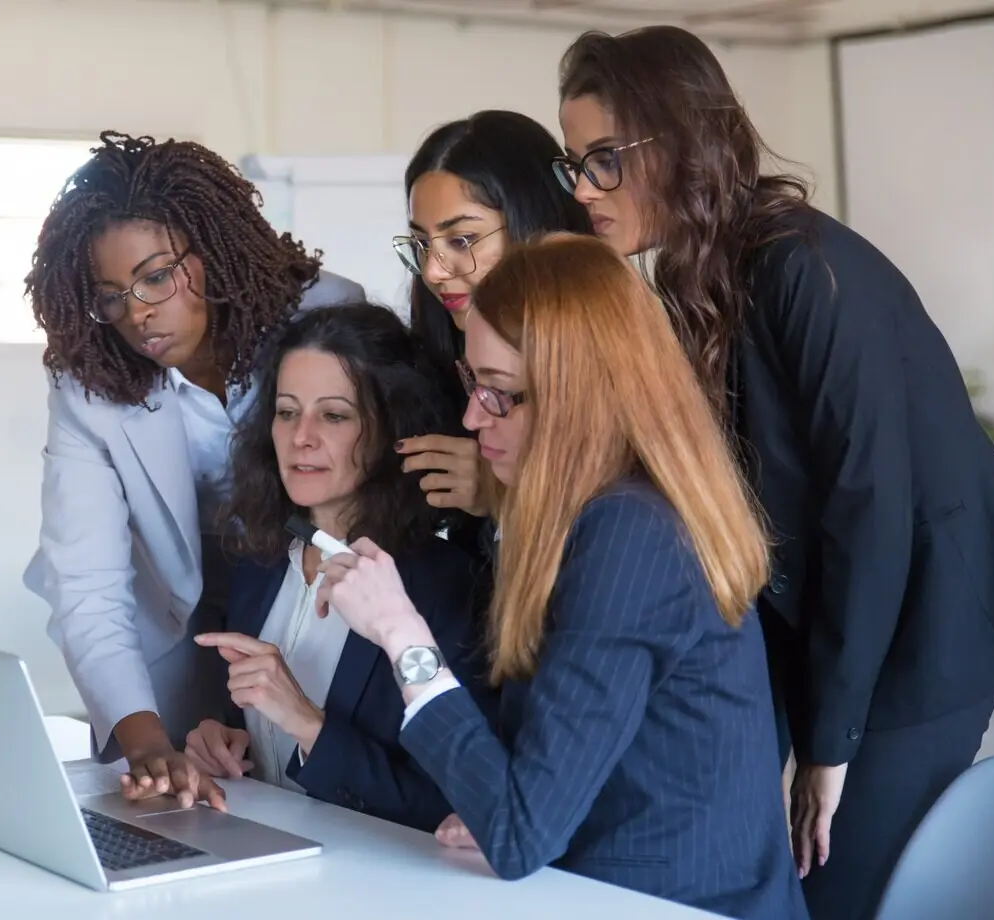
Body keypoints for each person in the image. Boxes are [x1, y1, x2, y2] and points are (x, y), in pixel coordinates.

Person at [556, 25, 994, 920]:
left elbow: (869, 511)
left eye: (604, 160)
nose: (582, 188)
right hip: (845, 625)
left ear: (678, 141)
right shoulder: (700, 276)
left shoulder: (800, 266)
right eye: (573, 162)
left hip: (930, 633)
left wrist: (828, 745)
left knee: (833, 886)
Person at [315, 234, 808, 920]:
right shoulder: (593, 517)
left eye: (502, 396)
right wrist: (501, 810)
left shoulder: (628, 536)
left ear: (582, 398)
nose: (470, 417)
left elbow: (520, 833)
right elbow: (543, 787)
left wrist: (402, 635)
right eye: (473, 381)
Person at [21, 131, 364, 811]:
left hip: (310, 605)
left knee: (315, 795)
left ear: (214, 249)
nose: (137, 314)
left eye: (155, 276)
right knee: (184, 810)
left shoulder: (327, 316)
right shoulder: (90, 378)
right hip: (175, 627)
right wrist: (145, 740)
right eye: (110, 295)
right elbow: (86, 579)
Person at [185, 303, 486, 832]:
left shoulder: (445, 585)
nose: (302, 436)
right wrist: (225, 740)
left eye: (334, 415)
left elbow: (450, 805)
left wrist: (307, 724)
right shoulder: (257, 562)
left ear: (392, 427)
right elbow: (256, 731)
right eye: (286, 411)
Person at [393, 110, 593, 545]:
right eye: (422, 244)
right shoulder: (431, 355)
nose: (432, 272)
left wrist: (502, 495)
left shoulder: (605, 366)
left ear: (532, 225)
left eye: (461, 240)